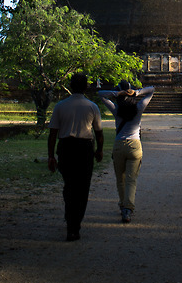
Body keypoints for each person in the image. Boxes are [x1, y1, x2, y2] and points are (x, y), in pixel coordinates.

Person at [48, 72, 104, 242]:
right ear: (86, 87)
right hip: (84, 149)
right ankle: (74, 224)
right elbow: (99, 133)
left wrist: (51, 156)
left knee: (70, 185)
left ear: (71, 86)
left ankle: (71, 221)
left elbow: (52, 134)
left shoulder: (60, 106)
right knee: (82, 187)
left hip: (66, 148)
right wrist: (99, 150)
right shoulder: (92, 106)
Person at [98, 80, 154, 223]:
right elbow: (152, 89)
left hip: (119, 145)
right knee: (131, 180)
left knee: (120, 179)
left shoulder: (116, 109)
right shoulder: (139, 107)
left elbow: (101, 94)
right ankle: (128, 209)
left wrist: (117, 93)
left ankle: (123, 205)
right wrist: (137, 92)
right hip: (135, 145)